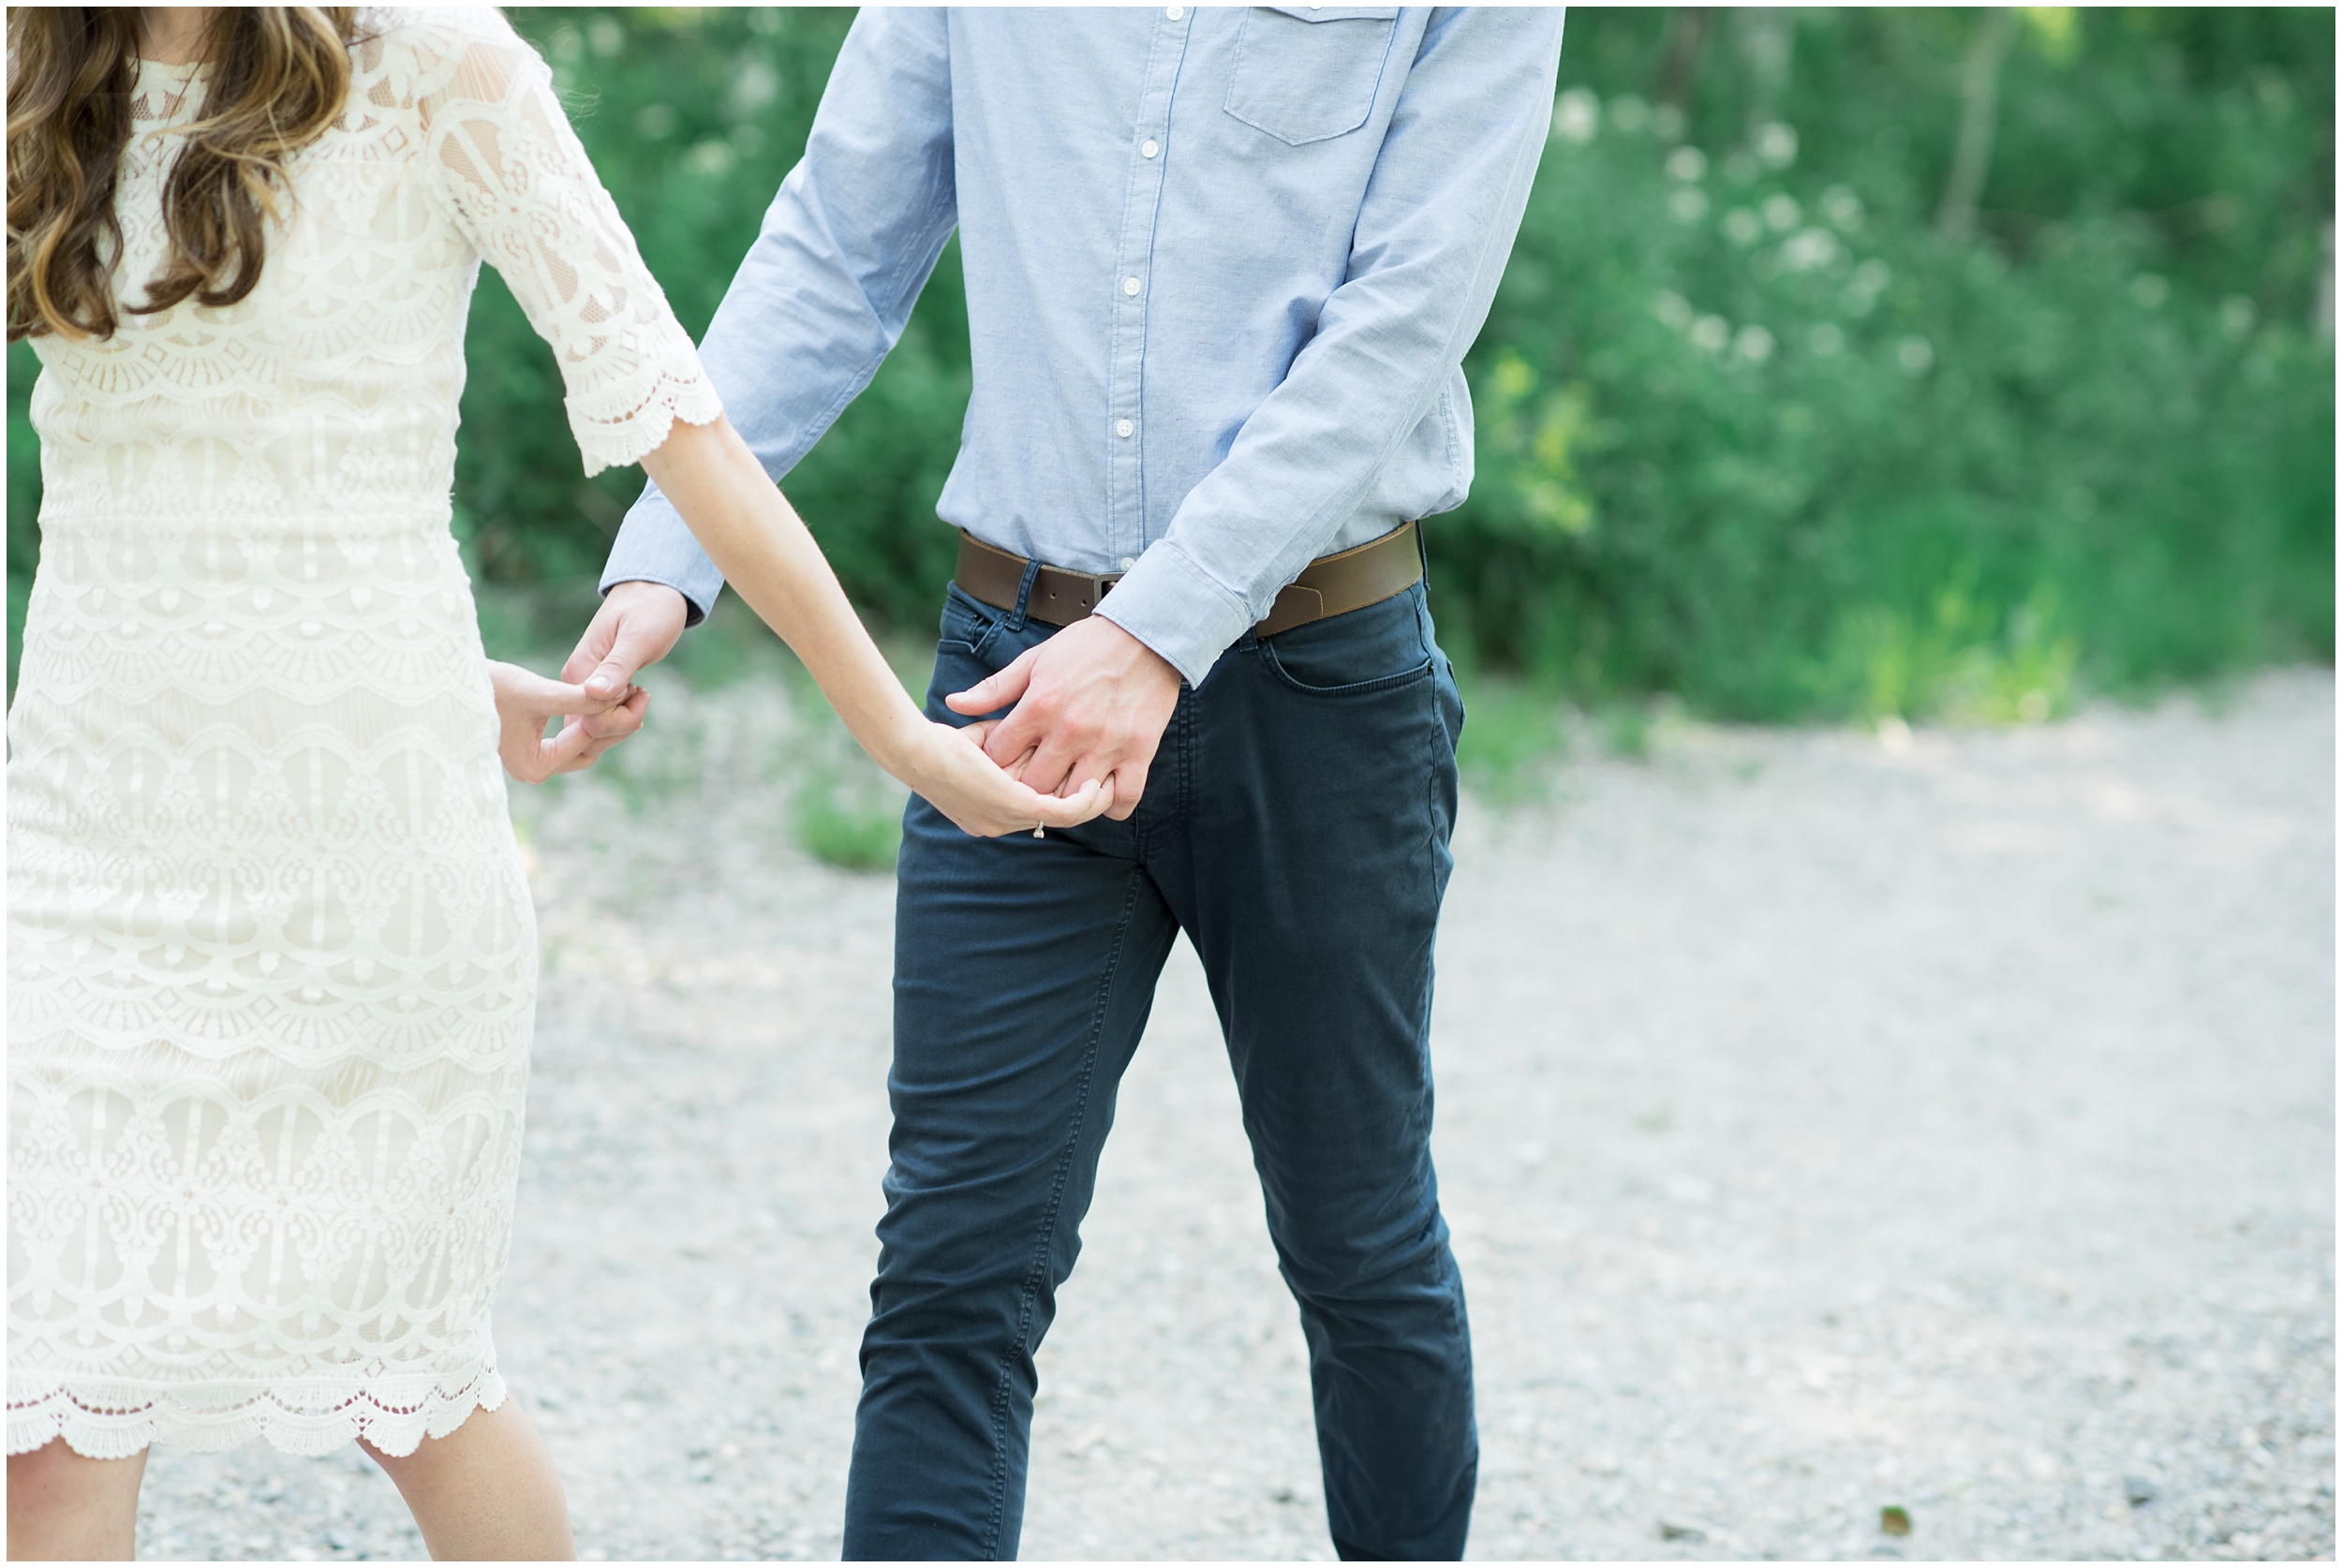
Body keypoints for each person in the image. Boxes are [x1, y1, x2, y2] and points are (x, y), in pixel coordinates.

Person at [4, 7, 1104, 1560]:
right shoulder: (37, 66)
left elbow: (690, 435)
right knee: (43, 1425)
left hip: (362, 871)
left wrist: (901, 737)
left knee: (412, 1394)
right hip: (76, 837)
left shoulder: (438, 64)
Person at [569, 8, 1566, 1559]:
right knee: (950, 1277)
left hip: (1317, 687)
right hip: (1014, 681)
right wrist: (669, 549)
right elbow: (839, 241)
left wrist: (1157, 631)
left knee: (1358, 1242)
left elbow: (1409, 313)